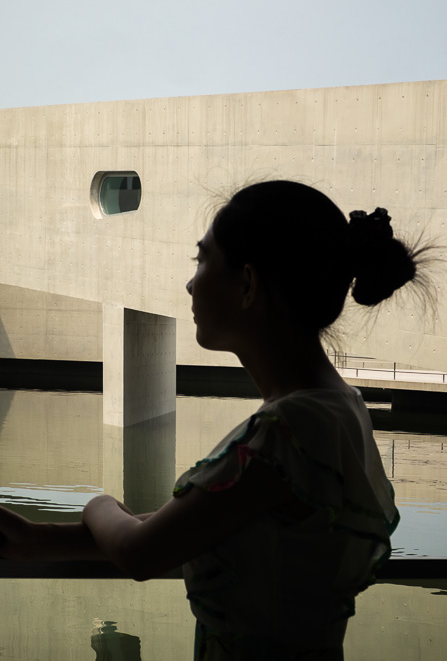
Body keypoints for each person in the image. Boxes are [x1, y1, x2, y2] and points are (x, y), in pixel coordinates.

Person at [0, 180, 427, 659]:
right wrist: (39, 539)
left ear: (247, 285)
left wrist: (99, 504)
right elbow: (202, 523)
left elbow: (141, 553)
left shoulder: (287, 431)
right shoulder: (340, 407)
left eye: (201, 260)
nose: (190, 283)